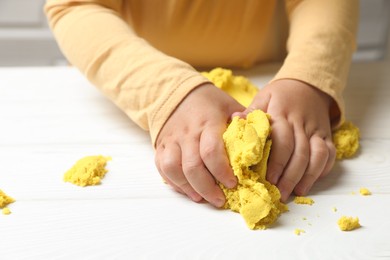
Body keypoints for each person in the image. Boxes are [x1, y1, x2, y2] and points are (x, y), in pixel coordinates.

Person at [45, 0, 359, 207]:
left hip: (271, 74)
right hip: (138, 75)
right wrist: (167, 91)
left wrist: (308, 76)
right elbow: (76, 7)